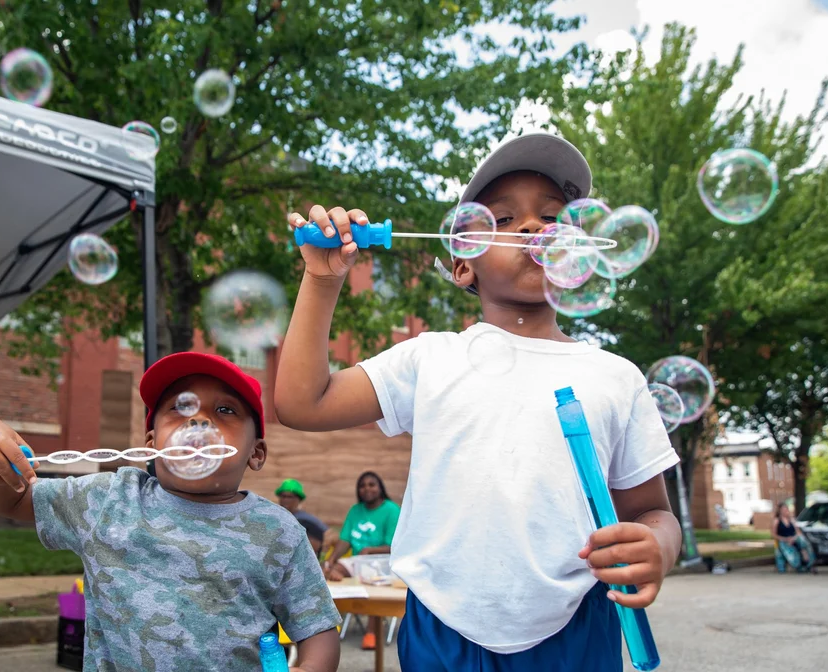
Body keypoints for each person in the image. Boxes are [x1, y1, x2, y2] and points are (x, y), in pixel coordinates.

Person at [275, 132, 683, 672]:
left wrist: (658, 547)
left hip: (576, 623)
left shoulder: (614, 376)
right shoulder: (430, 359)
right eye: (505, 220)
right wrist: (322, 280)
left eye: (553, 217)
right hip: (443, 627)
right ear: (463, 263)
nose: (535, 227)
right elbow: (304, 403)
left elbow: (652, 512)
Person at [0, 352, 340, 672]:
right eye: (180, 407)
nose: (199, 420)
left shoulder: (277, 530)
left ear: (255, 452)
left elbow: (317, 628)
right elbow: (12, 500)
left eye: (225, 410)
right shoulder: (109, 499)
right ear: (150, 445)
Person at [321, 471, 400, 651]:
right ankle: (327, 625)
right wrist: (331, 560)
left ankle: (372, 631)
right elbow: (345, 540)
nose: (367, 489)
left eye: (371, 484)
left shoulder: (392, 510)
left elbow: (395, 545)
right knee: (324, 570)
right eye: (362, 486)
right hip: (359, 560)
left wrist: (370, 550)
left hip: (383, 562)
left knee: (372, 579)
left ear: (380, 488)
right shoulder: (356, 510)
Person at [276, 478, 329, 556]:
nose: (285, 500)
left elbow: (330, 535)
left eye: (290, 497)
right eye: (283, 496)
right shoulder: (275, 516)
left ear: (298, 499)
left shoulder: (307, 519)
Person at [772, 503, 816, 573]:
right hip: (783, 540)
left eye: (786, 509)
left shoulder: (792, 520)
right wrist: (785, 539)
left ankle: (806, 556)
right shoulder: (777, 521)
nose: (785, 511)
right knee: (793, 555)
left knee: (801, 539)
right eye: (783, 509)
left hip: (794, 539)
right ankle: (800, 563)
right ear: (779, 511)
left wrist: (793, 538)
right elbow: (774, 534)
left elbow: (798, 532)